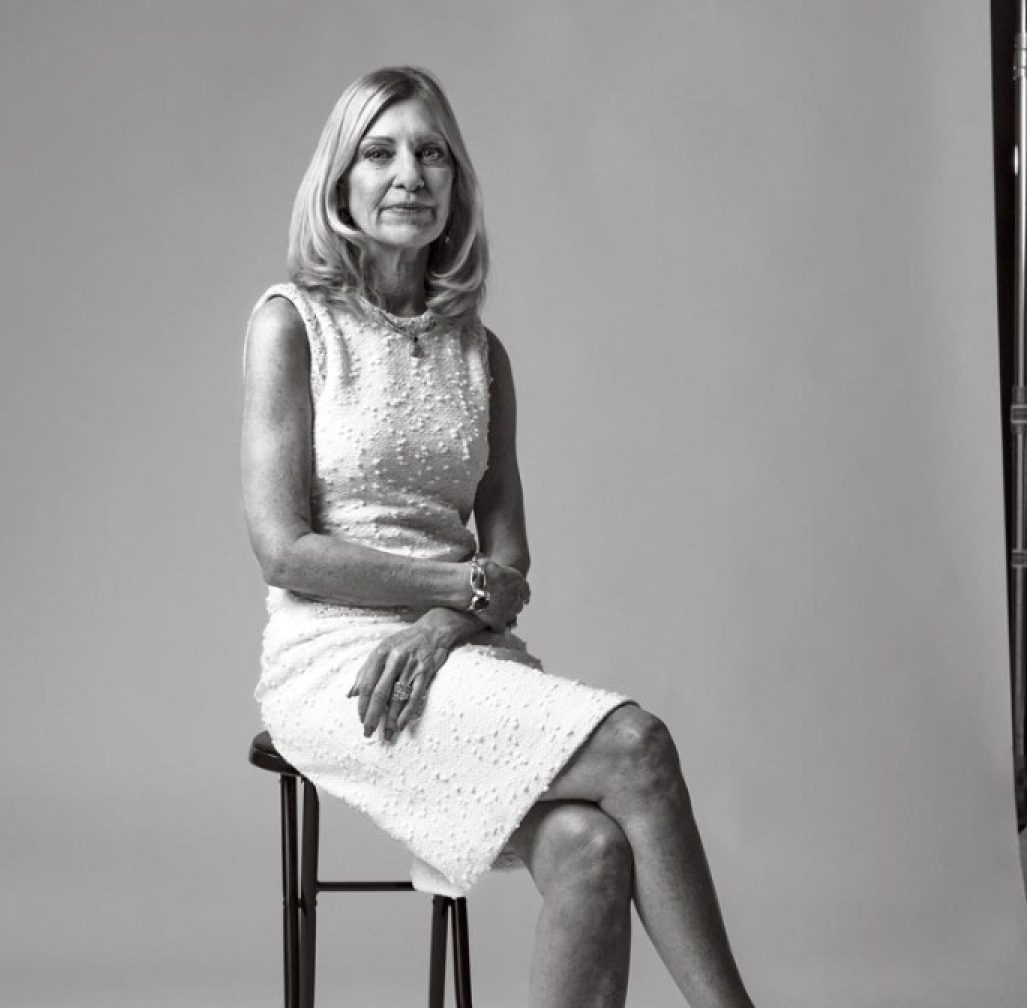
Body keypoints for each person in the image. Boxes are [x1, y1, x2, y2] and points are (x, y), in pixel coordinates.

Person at [239, 66, 757, 1008]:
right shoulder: (292, 327)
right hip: (333, 663)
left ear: (457, 187)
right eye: (381, 151)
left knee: (591, 848)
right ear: (340, 183)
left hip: (459, 648)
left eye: (432, 153)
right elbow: (287, 551)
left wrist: (447, 621)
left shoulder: (482, 354)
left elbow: (509, 567)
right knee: (639, 749)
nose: (409, 174)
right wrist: (457, 587)